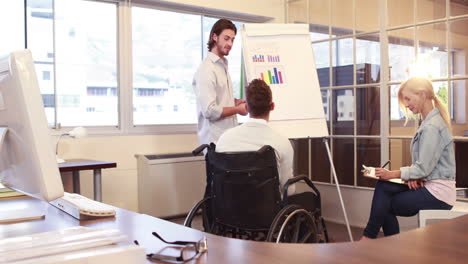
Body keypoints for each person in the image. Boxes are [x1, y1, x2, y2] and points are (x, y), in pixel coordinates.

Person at [362, 77, 456, 239]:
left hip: (438, 193)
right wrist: (416, 177)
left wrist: (391, 173)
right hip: (429, 184)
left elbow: (423, 168)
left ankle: (369, 238)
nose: (406, 104)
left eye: (408, 98)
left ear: (422, 94)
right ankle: (373, 239)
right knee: (383, 187)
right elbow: (425, 166)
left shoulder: (432, 127)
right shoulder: (429, 122)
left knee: (385, 205)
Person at [216, 79, 297, 197]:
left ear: (247, 107)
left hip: (228, 210)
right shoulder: (282, 143)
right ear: (272, 106)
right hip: (267, 212)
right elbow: (288, 190)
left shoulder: (224, 140)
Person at [192, 19, 248, 145]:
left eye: (232, 40)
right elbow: (210, 110)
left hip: (227, 140)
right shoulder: (207, 69)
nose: (230, 43)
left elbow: (219, 100)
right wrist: (237, 109)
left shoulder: (222, 66)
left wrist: (236, 102)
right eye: (226, 38)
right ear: (215, 37)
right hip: (215, 143)